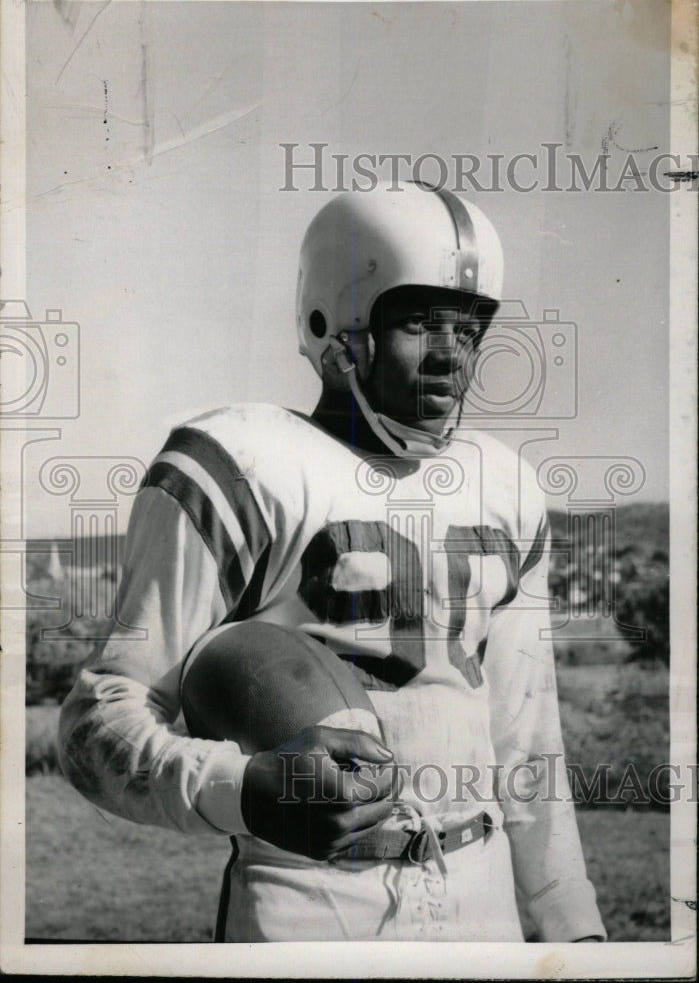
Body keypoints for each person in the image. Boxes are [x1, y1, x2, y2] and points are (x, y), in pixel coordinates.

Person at [58, 182, 607, 943]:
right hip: (310, 897)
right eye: (418, 321)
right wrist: (244, 788)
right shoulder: (239, 463)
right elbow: (98, 724)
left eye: (469, 327)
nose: (453, 354)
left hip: (481, 896)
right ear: (335, 324)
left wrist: (565, 917)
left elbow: (525, 738)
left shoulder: (505, 484)